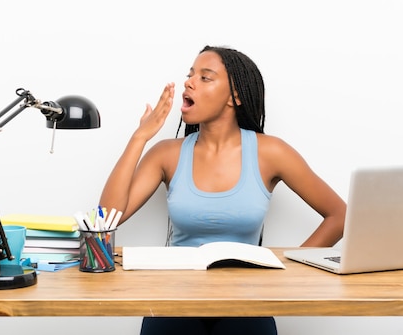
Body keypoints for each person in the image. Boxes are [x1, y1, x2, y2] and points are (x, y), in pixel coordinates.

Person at [99, 45, 346, 335]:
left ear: (235, 97)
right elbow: (104, 221)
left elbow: (339, 215)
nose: (189, 82)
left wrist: (290, 269)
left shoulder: (271, 152)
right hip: (174, 298)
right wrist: (140, 137)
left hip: (247, 301)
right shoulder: (166, 154)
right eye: (190, 75)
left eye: (205, 77)